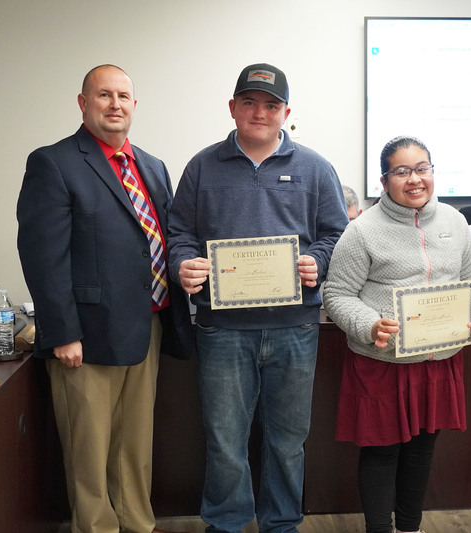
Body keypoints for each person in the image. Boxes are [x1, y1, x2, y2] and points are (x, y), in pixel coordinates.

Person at [166, 63, 348, 533]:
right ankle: (226, 522)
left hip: (295, 328)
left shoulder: (315, 167)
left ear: (286, 111)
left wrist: (318, 262)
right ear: (232, 108)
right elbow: (180, 234)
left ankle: (281, 524)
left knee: (288, 440)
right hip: (222, 330)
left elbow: (335, 235)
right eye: (249, 102)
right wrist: (185, 265)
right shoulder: (202, 166)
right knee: (225, 438)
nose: (259, 112)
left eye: (271, 105)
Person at [17, 64, 195, 533]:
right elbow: (42, 258)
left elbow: (163, 239)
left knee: (135, 445)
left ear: (134, 106)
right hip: (87, 337)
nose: (115, 105)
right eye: (103, 95)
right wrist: (63, 332)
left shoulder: (152, 167)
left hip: (147, 325)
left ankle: (138, 523)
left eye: (123, 96)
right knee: (89, 447)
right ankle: (95, 527)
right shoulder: (54, 162)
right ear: (83, 103)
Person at [323, 136, 471, 533]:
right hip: (383, 362)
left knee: (422, 449)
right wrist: (370, 325)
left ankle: (410, 528)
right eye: (402, 172)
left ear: (433, 172)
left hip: (438, 359)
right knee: (382, 452)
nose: (414, 179)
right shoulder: (362, 231)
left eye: (422, 169)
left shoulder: (454, 221)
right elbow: (337, 294)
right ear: (385, 182)